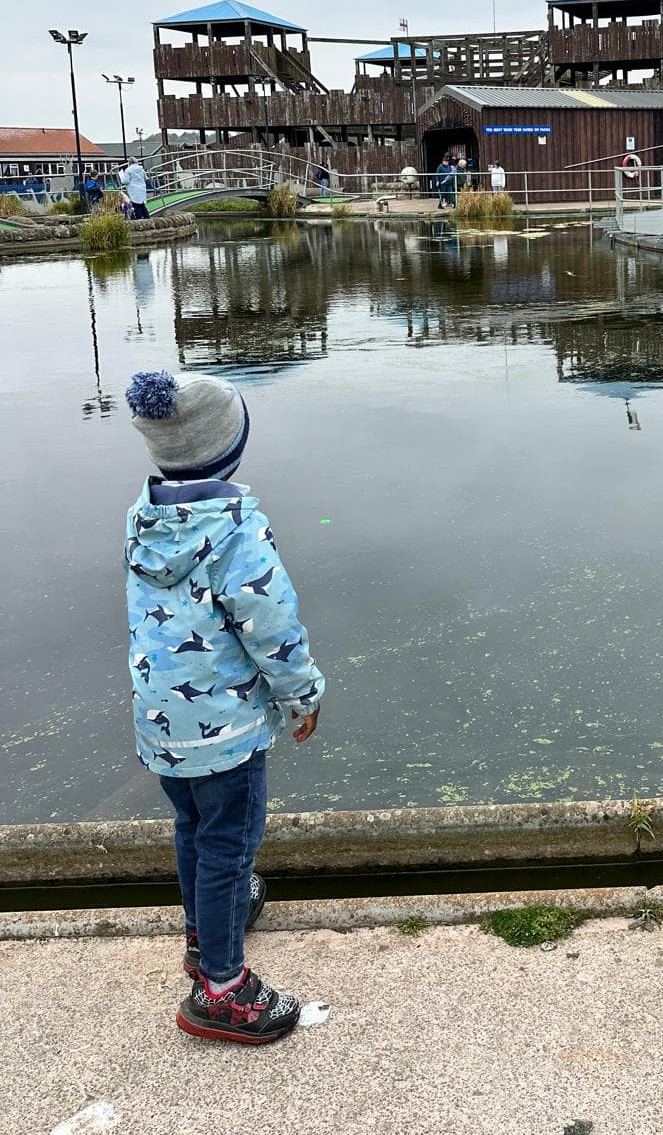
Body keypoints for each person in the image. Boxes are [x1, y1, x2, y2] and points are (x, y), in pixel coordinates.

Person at [124, 369, 324, 1044]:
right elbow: (273, 627)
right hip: (225, 732)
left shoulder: (144, 518)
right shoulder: (238, 531)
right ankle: (221, 990)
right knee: (229, 845)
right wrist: (304, 695)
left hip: (162, 723)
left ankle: (207, 927)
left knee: (193, 829)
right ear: (230, 448)